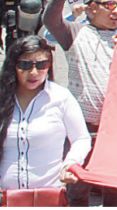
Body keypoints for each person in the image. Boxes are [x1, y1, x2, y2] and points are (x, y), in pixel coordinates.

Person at [42, 0, 117, 206]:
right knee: (78, 189)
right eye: (110, 5)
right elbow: (50, 19)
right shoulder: (75, 32)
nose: (116, 11)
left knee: (113, 191)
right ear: (92, 9)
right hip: (80, 128)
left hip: (114, 129)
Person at [0, 36, 91, 196]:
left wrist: (71, 163)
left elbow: (81, 138)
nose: (34, 72)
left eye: (42, 65)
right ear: (13, 66)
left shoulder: (61, 97)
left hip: (48, 196)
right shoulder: (2, 98)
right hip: (5, 197)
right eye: (25, 65)